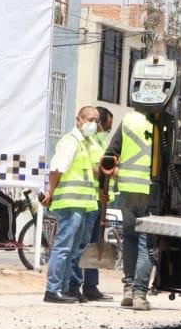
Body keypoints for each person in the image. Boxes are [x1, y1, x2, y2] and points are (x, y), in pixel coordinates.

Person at [42, 106, 101, 304]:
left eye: (96, 120)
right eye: (89, 119)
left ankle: (65, 288)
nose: (93, 124)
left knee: (74, 249)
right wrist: (50, 192)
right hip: (69, 202)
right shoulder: (70, 141)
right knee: (63, 248)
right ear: (78, 120)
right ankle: (53, 289)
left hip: (82, 204)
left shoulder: (85, 142)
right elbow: (56, 169)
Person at [102, 107, 155, 311]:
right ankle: (140, 295)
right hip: (152, 190)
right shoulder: (163, 122)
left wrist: (108, 182)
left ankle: (128, 289)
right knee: (147, 242)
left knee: (131, 238)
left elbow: (109, 157)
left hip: (127, 189)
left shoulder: (128, 120)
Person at [76, 106, 115, 302]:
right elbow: (97, 169)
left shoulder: (98, 141)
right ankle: (80, 285)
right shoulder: (93, 142)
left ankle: (91, 286)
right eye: (106, 126)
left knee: (94, 241)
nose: (105, 130)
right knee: (87, 243)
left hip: (100, 199)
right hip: (93, 198)